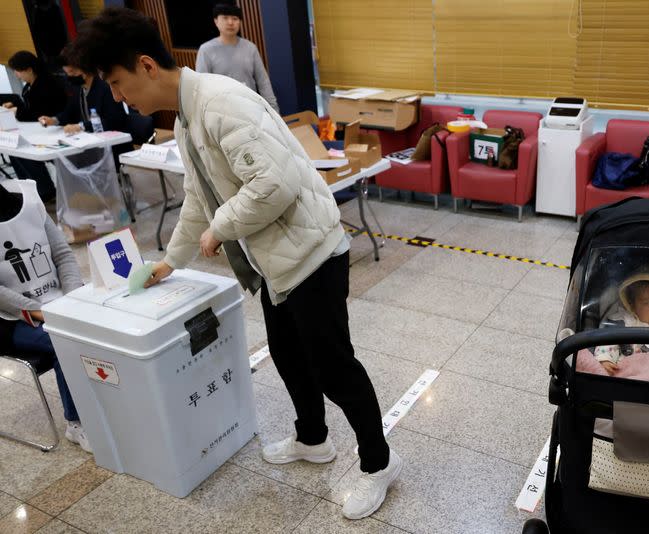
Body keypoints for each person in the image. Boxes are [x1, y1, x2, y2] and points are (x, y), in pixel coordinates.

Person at [72, 8, 401, 520]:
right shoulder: (186, 117)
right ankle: (313, 440)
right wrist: (169, 261)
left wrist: (220, 228)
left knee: (334, 370)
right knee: (290, 359)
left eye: (117, 83)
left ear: (145, 66)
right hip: (276, 263)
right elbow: (200, 198)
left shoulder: (221, 103)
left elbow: (275, 186)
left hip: (312, 254)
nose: (118, 98)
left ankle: (379, 464)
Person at [0, 179, 92, 453]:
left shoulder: (28, 198)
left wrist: (74, 299)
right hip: (10, 318)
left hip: (58, 300)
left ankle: (104, 403)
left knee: (101, 327)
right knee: (62, 341)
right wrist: (38, 312)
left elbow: (62, 254)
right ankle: (76, 422)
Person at [38, 45, 133, 164]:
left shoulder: (105, 88)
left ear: (86, 68)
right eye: (67, 73)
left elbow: (114, 121)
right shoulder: (78, 88)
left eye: (72, 72)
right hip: (88, 144)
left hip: (111, 147)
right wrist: (53, 120)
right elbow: (69, 112)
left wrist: (81, 126)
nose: (70, 76)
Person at [1, 51, 67, 202]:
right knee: (14, 148)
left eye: (18, 71)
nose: (17, 75)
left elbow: (36, 112)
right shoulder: (29, 86)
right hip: (36, 129)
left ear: (29, 69)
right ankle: (30, 188)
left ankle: (45, 190)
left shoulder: (47, 84)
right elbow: (28, 107)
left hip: (53, 129)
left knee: (24, 149)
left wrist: (17, 110)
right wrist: (16, 105)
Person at [195, 3, 280, 113]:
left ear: (239, 22)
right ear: (216, 21)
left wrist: (274, 111)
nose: (230, 22)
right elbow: (202, 87)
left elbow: (263, 82)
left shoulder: (250, 47)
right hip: (222, 112)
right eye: (225, 18)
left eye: (235, 18)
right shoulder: (206, 50)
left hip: (251, 108)